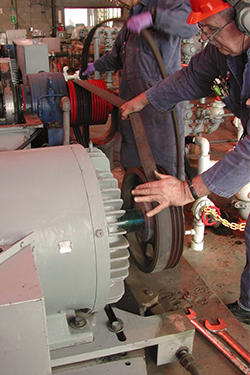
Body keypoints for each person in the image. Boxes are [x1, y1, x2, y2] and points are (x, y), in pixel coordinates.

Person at [119, 0, 250, 324]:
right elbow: (190, 78)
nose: (205, 37)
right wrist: (144, 100)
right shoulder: (225, 52)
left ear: (245, 18)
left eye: (210, 28)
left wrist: (188, 190)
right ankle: (248, 310)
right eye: (202, 29)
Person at [82, 0, 197, 178]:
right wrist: (94, 66)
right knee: (134, 163)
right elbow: (116, 57)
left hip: (160, 107)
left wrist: (155, 18)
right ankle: (135, 199)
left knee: (164, 165)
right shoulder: (131, 21)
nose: (116, 1)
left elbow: (190, 24)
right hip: (131, 105)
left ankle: (170, 204)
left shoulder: (164, 4)